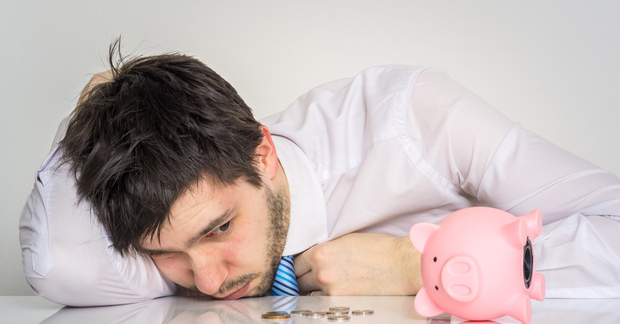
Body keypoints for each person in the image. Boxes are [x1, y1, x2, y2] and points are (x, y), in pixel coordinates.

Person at [20, 42, 620, 306]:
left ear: (263, 154)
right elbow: (54, 262)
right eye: (167, 255)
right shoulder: (178, 239)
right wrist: (87, 124)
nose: (205, 280)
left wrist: (424, 265)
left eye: (218, 228)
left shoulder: (413, 118)